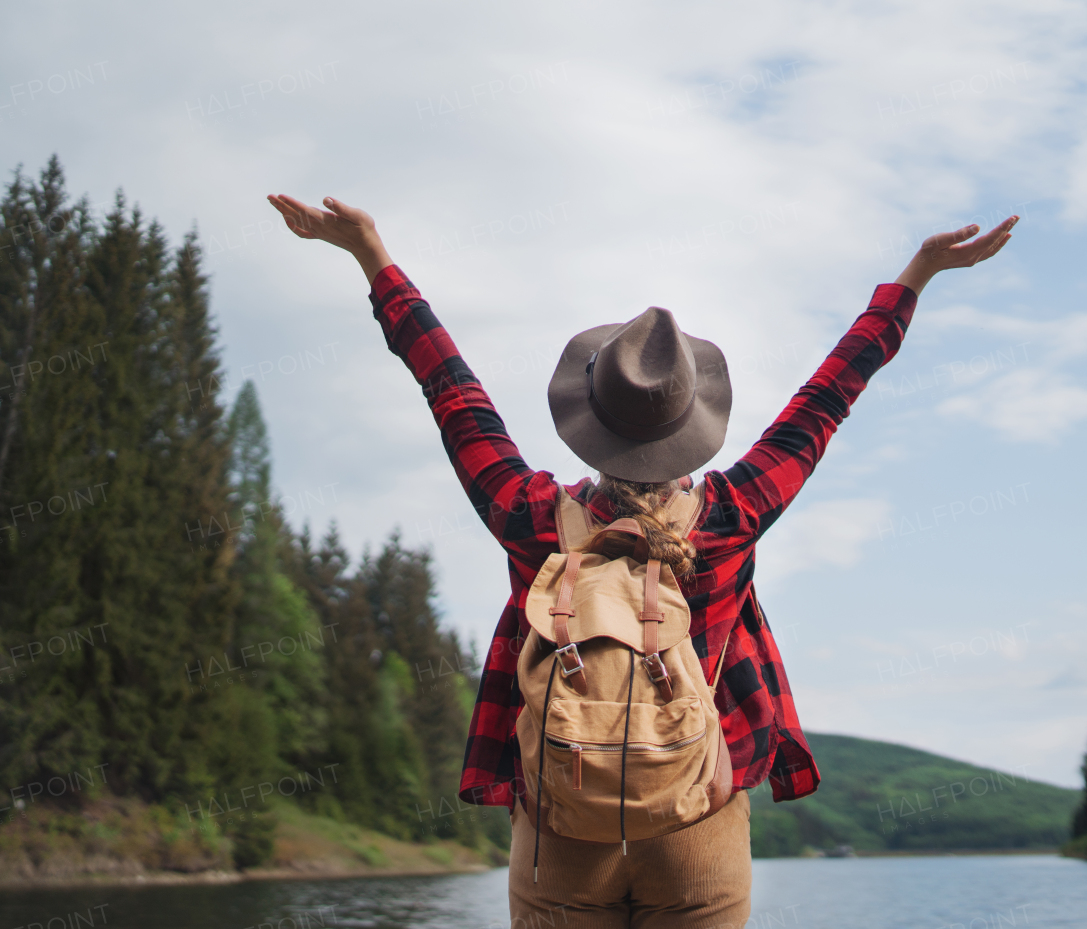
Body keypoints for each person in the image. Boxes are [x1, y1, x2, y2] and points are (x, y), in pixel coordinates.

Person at [268, 192, 1016, 927]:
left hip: (562, 826)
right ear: (692, 422)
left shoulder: (533, 517)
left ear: (587, 418)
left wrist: (373, 257)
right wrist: (915, 275)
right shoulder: (728, 516)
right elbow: (828, 396)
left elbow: (452, 393)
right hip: (700, 818)